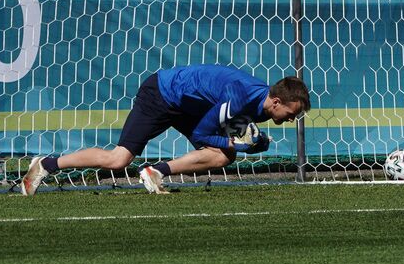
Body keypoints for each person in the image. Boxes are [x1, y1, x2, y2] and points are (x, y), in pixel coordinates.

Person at [21, 64, 310, 195]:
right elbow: (202, 135)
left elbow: (225, 131)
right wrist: (238, 144)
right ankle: (45, 164)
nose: (290, 119)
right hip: (160, 94)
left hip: (188, 104)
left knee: (223, 157)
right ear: (276, 101)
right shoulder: (242, 98)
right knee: (119, 160)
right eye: (291, 113)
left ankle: (156, 172)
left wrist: (249, 144)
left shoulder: (259, 104)